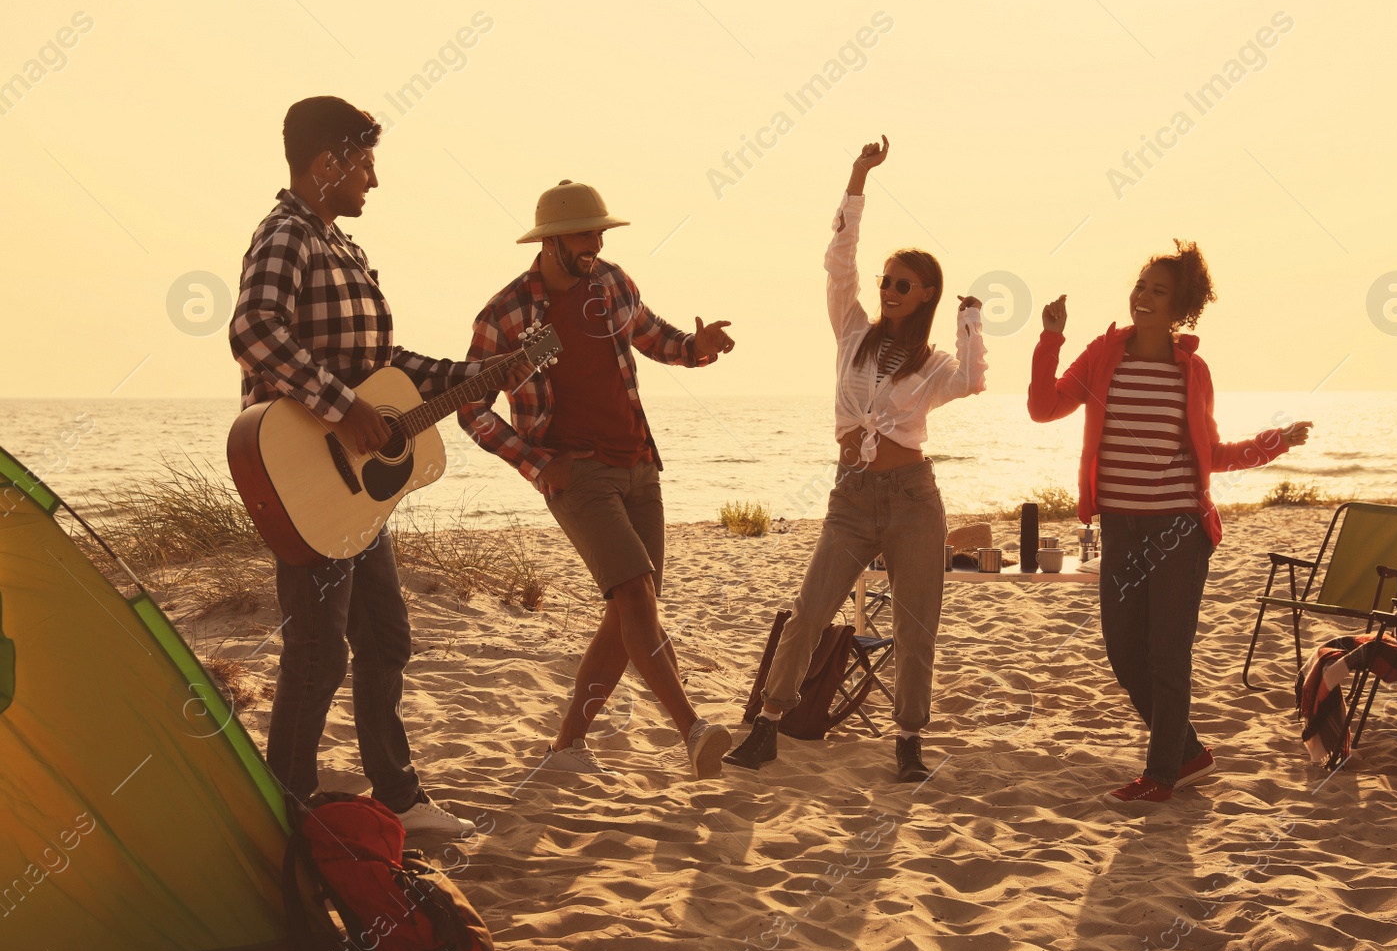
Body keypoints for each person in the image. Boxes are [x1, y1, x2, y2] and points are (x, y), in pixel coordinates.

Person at [230, 96, 530, 834]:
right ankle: (287, 804)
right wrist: (340, 407)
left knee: (385, 636)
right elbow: (253, 329)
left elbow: (384, 368)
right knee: (317, 651)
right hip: (305, 484)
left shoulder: (344, 249)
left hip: (353, 491)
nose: (373, 180)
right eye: (364, 163)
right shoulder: (285, 237)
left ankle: (396, 795)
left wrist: (476, 373)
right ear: (326, 161)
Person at [725, 136, 987, 782]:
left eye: (903, 284)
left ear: (925, 293)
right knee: (810, 611)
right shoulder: (851, 330)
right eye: (886, 281)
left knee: (914, 623)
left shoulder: (934, 365)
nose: (889, 289)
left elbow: (976, 378)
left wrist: (971, 318)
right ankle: (767, 726)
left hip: (912, 503)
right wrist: (857, 178)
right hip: (851, 498)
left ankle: (908, 739)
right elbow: (839, 258)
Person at [458, 179, 736, 779]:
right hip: (576, 473)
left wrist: (697, 346)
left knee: (629, 609)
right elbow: (471, 408)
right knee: (635, 595)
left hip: (640, 463)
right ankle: (692, 729)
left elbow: (656, 337)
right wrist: (536, 463)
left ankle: (566, 747)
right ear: (552, 240)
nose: (596, 243)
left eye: (600, 233)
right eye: (585, 234)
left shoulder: (612, 282)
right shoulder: (505, 313)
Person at [1027, 242, 1313, 802]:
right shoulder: (1103, 355)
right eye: (1141, 285)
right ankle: (1188, 753)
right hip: (1120, 528)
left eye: (1159, 290)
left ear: (1180, 307)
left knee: (1166, 654)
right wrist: (1050, 338)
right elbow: (1043, 407)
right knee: (1124, 652)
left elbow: (1214, 451)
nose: (1143, 297)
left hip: (1179, 529)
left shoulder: (1192, 370)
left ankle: (1161, 775)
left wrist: (1274, 442)